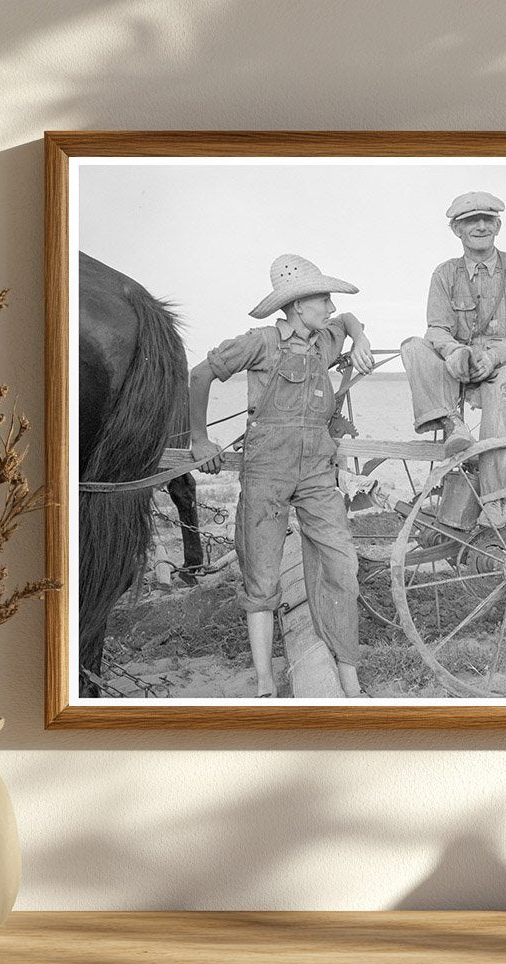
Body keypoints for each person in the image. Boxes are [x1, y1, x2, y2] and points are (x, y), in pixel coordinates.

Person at [189, 255, 374, 699]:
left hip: (316, 472)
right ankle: (265, 683)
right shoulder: (262, 342)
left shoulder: (325, 339)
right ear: (296, 306)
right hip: (266, 472)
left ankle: (348, 678)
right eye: (322, 298)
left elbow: (348, 318)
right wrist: (200, 439)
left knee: (342, 566)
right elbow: (200, 373)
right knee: (263, 576)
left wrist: (361, 336)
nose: (330, 306)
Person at [400, 191, 506, 528]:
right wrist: (454, 353)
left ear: (498, 225)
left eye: (487, 220)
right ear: (456, 230)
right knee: (412, 347)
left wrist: (493, 357)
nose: (480, 226)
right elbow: (436, 329)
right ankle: (452, 424)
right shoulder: (444, 274)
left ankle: (495, 498)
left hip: (505, 363)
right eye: (470, 221)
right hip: (459, 364)